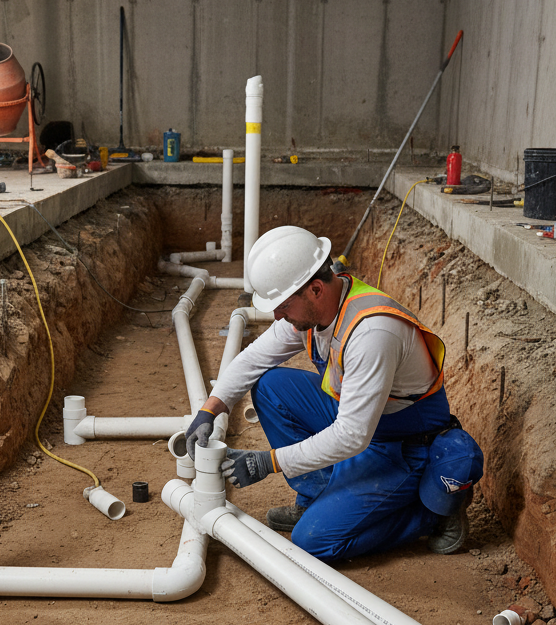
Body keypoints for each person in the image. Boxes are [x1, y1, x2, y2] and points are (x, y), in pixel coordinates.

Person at [184, 225, 482, 562]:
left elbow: (352, 436)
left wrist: (268, 462)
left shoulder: (372, 333)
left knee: (314, 541)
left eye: (282, 305)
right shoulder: (316, 310)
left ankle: (430, 513)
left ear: (314, 290)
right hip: (364, 418)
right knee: (270, 387)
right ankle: (319, 495)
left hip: (405, 445)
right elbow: (254, 358)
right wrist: (210, 409)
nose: (276, 315)